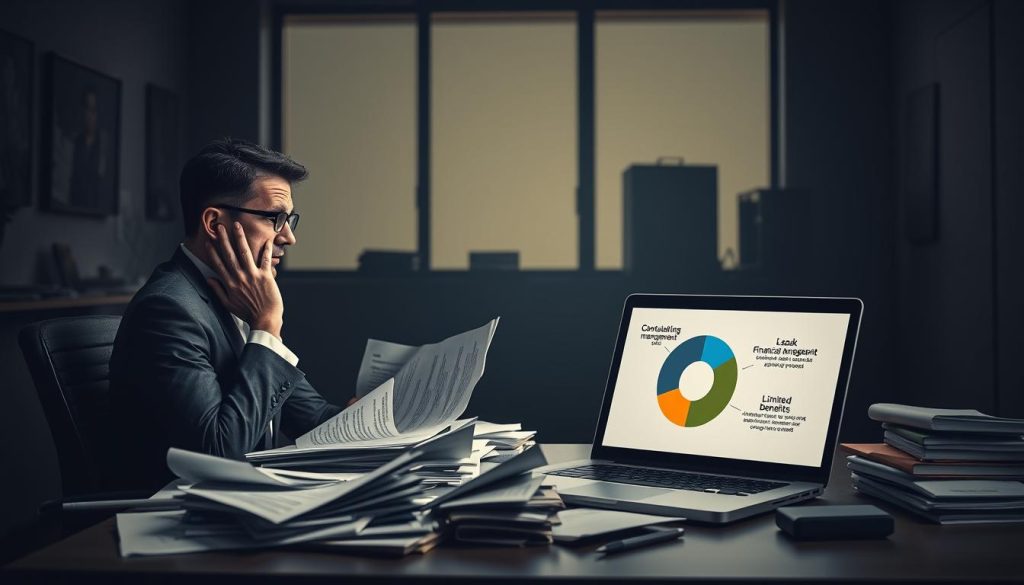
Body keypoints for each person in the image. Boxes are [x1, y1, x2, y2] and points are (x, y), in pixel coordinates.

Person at [109, 138, 342, 490]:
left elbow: (315, 418)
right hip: (182, 519)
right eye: (275, 219)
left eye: (289, 219)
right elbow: (218, 457)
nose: (289, 237)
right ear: (215, 224)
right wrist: (267, 326)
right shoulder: (168, 310)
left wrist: (378, 418)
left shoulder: (237, 296)